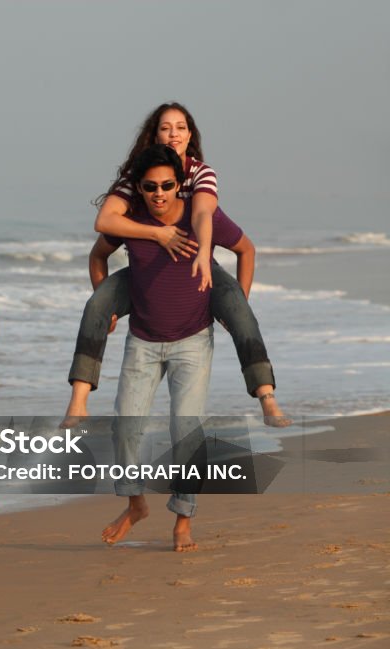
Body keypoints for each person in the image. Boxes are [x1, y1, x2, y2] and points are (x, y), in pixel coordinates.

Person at [63, 102, 289, 428]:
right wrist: (158, 234)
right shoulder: (136, 179)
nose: (173, 134)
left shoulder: (200, 173)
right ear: (153, 136)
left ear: (190, 134)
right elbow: (105, 223)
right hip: (142, 274)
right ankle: (78, 402)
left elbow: (202, 214)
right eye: (165, 128)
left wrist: (202, 251)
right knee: (97, 304)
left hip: (201, 264)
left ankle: (267, 397)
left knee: (239, 309)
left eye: (180, 127)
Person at [93, 145, 257, 552]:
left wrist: (235, 305)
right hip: (142, 342)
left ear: (179, 184)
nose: (159, 193)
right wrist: (106, 304)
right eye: (150, 187)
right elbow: (97, 257)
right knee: (124, 426)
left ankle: (183, 519)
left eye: (167, 185)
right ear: (140, 188)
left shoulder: (201, 216)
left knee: (185, 430)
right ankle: (135, 504)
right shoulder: (129, 221)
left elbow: (245, 250)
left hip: (193, 341)